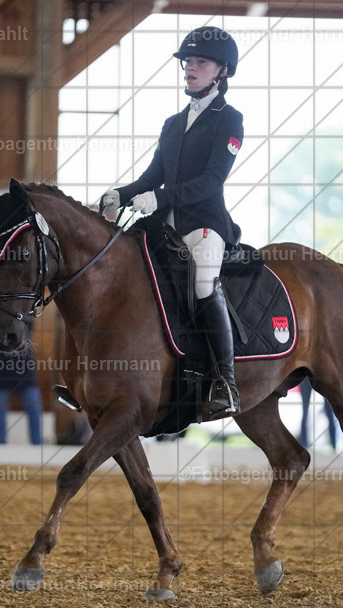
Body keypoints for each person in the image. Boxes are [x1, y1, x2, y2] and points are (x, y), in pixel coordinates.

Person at [99, 26, 243, 420]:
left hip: (205, 223)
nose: (190, 69)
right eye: (188, 62)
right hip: (165, 223)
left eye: (200, 62)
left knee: (201, 282)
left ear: (222, 71)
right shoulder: (172, 124)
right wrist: (121, 194)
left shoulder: (229, 120)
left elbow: (211, 181)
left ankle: (225, 381)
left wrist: (160, 197)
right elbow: (151, 178)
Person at [0, 305, 42, 445]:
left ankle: (38, 446)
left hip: (24, 368)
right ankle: (1, 446)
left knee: (34, 406)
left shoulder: (26, 310)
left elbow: (26, 330)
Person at [298, 378, 342, 451]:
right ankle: (303, 445)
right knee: (305, 411)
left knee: (329, 411)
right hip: (306, 377)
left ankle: (334, 445)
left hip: (321, 376)